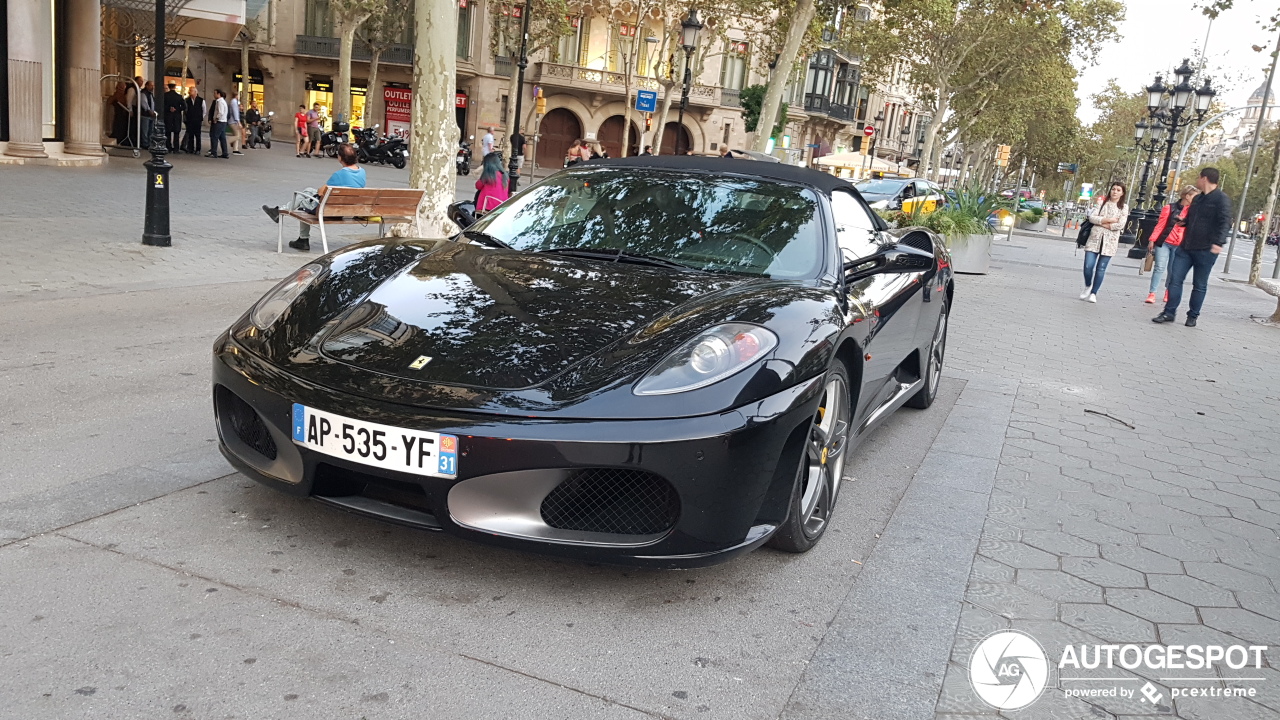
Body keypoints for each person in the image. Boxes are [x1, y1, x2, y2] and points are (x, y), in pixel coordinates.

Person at [1153, 168, 1233, 327]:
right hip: (1186, 247)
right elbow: (1191, 219)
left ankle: (1193, 316)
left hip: (1206, 249)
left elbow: (1225, 222)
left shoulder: (1221, 199)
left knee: (1199, 284)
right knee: (1175, 279)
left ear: (1204, 178)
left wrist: (1219, 243)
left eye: (1199, 177)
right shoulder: (1197, 199)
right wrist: (1183, 222)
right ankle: (1169, 312)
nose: (1197, 180)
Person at [262, 142, 367, 252]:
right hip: (345, 210)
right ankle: (282, 214)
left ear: (340, 158)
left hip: (329, 211)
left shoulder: (340, 174)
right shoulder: (362, 172)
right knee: (308, 191)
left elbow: (321, 191)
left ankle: (285, 217)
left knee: (302, 200)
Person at [1144, 186, 1198, 304]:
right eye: (1194, 196)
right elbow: (1160, 225)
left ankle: (1168, 291)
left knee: (1173, 270)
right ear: (1187, 196)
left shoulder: (1193, 211)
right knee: (1159, 267)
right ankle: (1152, 293)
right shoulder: (1169, 208)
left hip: (1180, 245)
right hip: (1164, 242)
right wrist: (1152, 240)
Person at [1080, 181, 1127, 303]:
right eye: (1113, 189)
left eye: (1118, 190)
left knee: (1101, 268)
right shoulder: (1102, 203)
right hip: (1094, 238)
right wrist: (1109, 220)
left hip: (1110, 241)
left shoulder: (1124, 207)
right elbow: (1092, 218)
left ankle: (1094, 293)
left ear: (1122, 193)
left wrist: (1105, 225)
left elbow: (1120, 224)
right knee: (1088, 266)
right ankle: (1088, 285)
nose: (1115, 192)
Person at [207, 89, 229, 159]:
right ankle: (225, 152)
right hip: (223, 122)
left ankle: (214, 152)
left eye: (215, 93)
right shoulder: (223, 101)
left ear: (219, 94)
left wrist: (216, 119)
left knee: (214, 136)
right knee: (222, 138)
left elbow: (220, 112)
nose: (214, 95)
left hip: (219, 122)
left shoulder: (219, 102)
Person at [182, 87, 205, 154]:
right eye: (190, 91)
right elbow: (185, 110)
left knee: (198, 135)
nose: (190, 92)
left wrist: (201, 117)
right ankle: (190, 148)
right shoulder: (187, 100)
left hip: (198, 120)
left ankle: (198, 149)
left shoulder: (201, 100)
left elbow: (204, 110)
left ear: (196, 92)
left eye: (191, 91)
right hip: (190, 120)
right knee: (190, 134)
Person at [109, 81, 131, 146]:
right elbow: (110, 102)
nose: (122, 89)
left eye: (123, 87)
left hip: (124, 113)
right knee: (118, 125)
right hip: (118, 113)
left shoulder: (124, 95)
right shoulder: (116, 95)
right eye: (120, 87)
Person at [163, 83, 184, 151]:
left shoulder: (165, 95)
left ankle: (168, 146)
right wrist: (177, 109)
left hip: (168, 115)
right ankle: (176, 148)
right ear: (175, 87)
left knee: (168, 132)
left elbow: (162, 105)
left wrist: (169, 109)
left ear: (169, 87)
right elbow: (184, 106)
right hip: (176, 116)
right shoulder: (179, 96)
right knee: (176, 132)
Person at [139, 80, 157, 146]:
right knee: (145, 130)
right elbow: (144, 103)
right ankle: (145, 143)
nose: (152, 87)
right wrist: (149, 110)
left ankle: (149, 142)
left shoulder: (150, 94)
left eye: (153, 86)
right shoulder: (144, 93)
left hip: (151, 114)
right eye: (151, 85)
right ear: (146, 86)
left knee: (150, 130)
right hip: (146, 114)